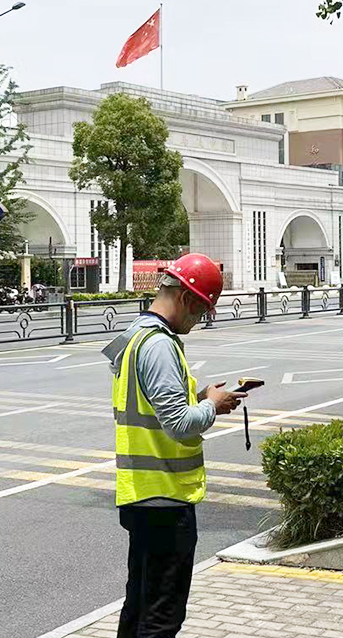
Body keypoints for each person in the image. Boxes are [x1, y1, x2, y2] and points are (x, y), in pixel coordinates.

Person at [102, 253, 246, 638]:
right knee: (162, 617)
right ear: (184, 298)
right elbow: (180, 424)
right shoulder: (160, 346)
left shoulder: (136, 336)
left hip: (141, 494)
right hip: (164, 498)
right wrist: (211, 406)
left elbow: (153, 405)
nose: (198, 322)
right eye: (200, 311)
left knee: (140, 606)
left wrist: (201, 398)